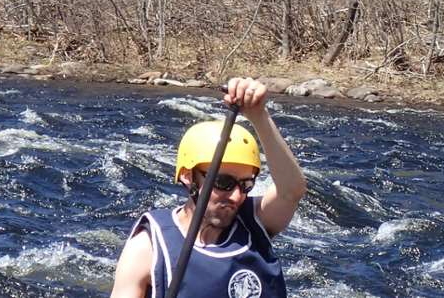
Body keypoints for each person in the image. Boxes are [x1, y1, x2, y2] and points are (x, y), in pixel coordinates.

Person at [111, 77, 307, 298]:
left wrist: (258, 116)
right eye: (223, 183)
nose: (235, 196)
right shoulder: (147, 248)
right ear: (188, 176)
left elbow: (292, 190)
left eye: (246, 185)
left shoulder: (255, 221)